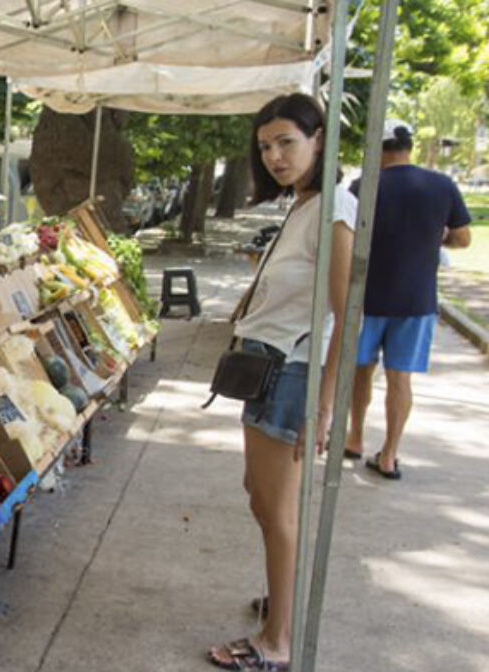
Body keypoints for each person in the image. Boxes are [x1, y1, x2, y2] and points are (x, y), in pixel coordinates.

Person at [207, 93, 356, 671]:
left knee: (278, 508)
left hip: (292, 372)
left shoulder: (333, 209)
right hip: (269, 366)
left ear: (320, 140)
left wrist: (323, 404)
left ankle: (277, 641)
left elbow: (348, 312)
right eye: (266, 146)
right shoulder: (305, 202)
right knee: (261, 497)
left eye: (287, 142)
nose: (274, 155)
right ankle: (282, 605)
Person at [346, 120, 472, 479]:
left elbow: (347, 234)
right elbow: (463, 239)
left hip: (366, 298)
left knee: (359, 373)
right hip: (417, 300)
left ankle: (354, 438)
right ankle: (389, 455)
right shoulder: (442, 185)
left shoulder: (364, 186)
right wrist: (437, 237)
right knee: (401, 380)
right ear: (410, 147)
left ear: (379, 149)